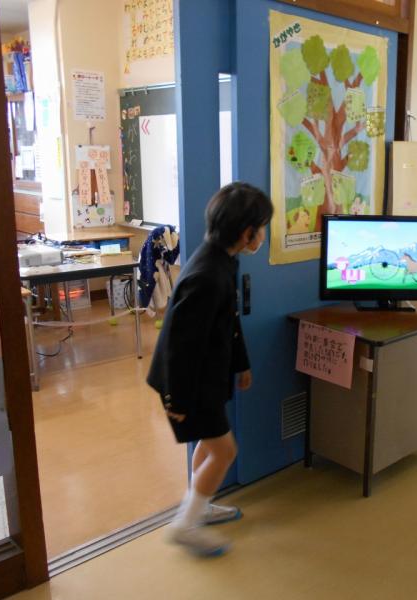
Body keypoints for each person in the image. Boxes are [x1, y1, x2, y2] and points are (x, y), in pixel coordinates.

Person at [147, 182, 273, 556]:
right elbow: (180, 347)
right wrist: (177, 400)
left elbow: (229, 321)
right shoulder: (206, 275)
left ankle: (197, 505)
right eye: (262, 228)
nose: (263, 235)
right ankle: (185, 525)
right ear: (246, 232)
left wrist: (241, 364)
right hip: (188, 383)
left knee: (210, 441)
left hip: (206, 375)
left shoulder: (223, 259)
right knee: (224, 451)